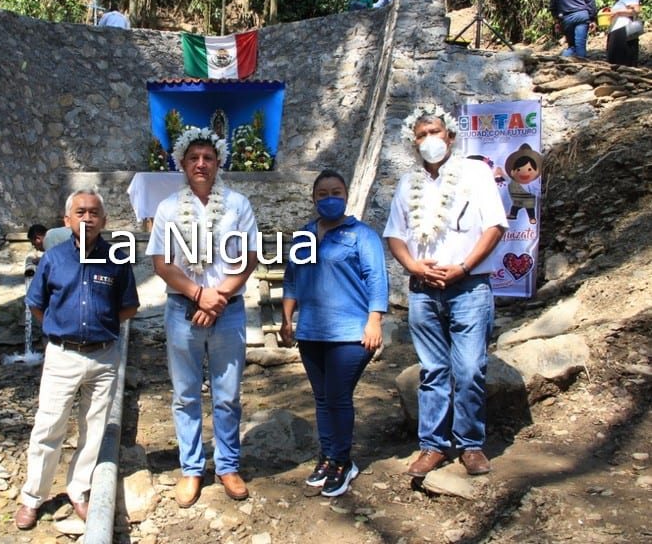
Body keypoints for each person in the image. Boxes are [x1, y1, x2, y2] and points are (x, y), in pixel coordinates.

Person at [383, 105, 508, 478]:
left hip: (469, 287)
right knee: (432, 371)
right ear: (413, 143)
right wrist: (413, 266)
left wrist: (464, 267)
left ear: (450, 136)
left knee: (469, 369)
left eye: (434, 132)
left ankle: (471, 444)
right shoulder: (409, 183)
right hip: (423, 290)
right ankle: (432, 446)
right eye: (421, 136)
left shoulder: (475, 172)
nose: (429, 141)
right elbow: (395, 235)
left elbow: (495, 227)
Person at [146, 126, 258, 508]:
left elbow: (249, 257)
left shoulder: (238, 205)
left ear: (218, 162)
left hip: (227, 311)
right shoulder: (166, 209)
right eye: (193, 158)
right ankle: (192, 469)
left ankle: (227, 465)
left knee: (227, 395)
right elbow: (162, 262)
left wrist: (218, 297)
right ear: (182, 163)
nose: (200, 163)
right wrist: (198, 294)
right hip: (183, 310)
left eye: (207, 158)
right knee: (185, 394)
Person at [14, 188, 139, 530]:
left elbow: (129, 305)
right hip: (62, 356)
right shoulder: (53, 260)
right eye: (80, 212)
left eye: (94, 212)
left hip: (104, 357)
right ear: (67, 220)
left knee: (95, 428)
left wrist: (103, 326)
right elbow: (36, 303)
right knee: (48, 427)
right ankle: (32, 497)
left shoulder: (116, 258)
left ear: (104, 220)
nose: (87, 218)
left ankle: (80, 490)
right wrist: (60, 329)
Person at [280, 170, 388, 497]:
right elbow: (292, 280)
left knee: (338, 397)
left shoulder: (362, 235)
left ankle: (343, 461)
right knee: (322, 398)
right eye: (323, 193)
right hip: (311, 332)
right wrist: (287, 319)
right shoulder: (305, 235)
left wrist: (375, 321)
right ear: (314, 199)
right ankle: (327, 457)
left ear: (345, 196)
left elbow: (377, 280)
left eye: (336, 192)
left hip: (351, 334)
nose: (329, 198)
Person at [605, 0, 642, 67]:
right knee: (615, 58)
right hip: (616, 29)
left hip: (623, 28)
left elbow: (636, 10)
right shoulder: (621, 0)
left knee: (621, 58)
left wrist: (616, 12)